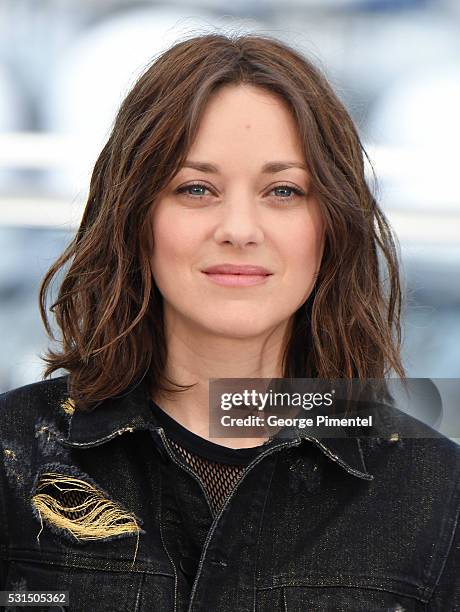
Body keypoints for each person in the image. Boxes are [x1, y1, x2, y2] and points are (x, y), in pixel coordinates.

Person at [0, 32, 459, 612]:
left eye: (283, 190)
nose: (240, 228)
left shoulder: (436, 491)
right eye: (196, 189)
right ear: (135, 217)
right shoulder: (13, 455)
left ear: (332, 226)